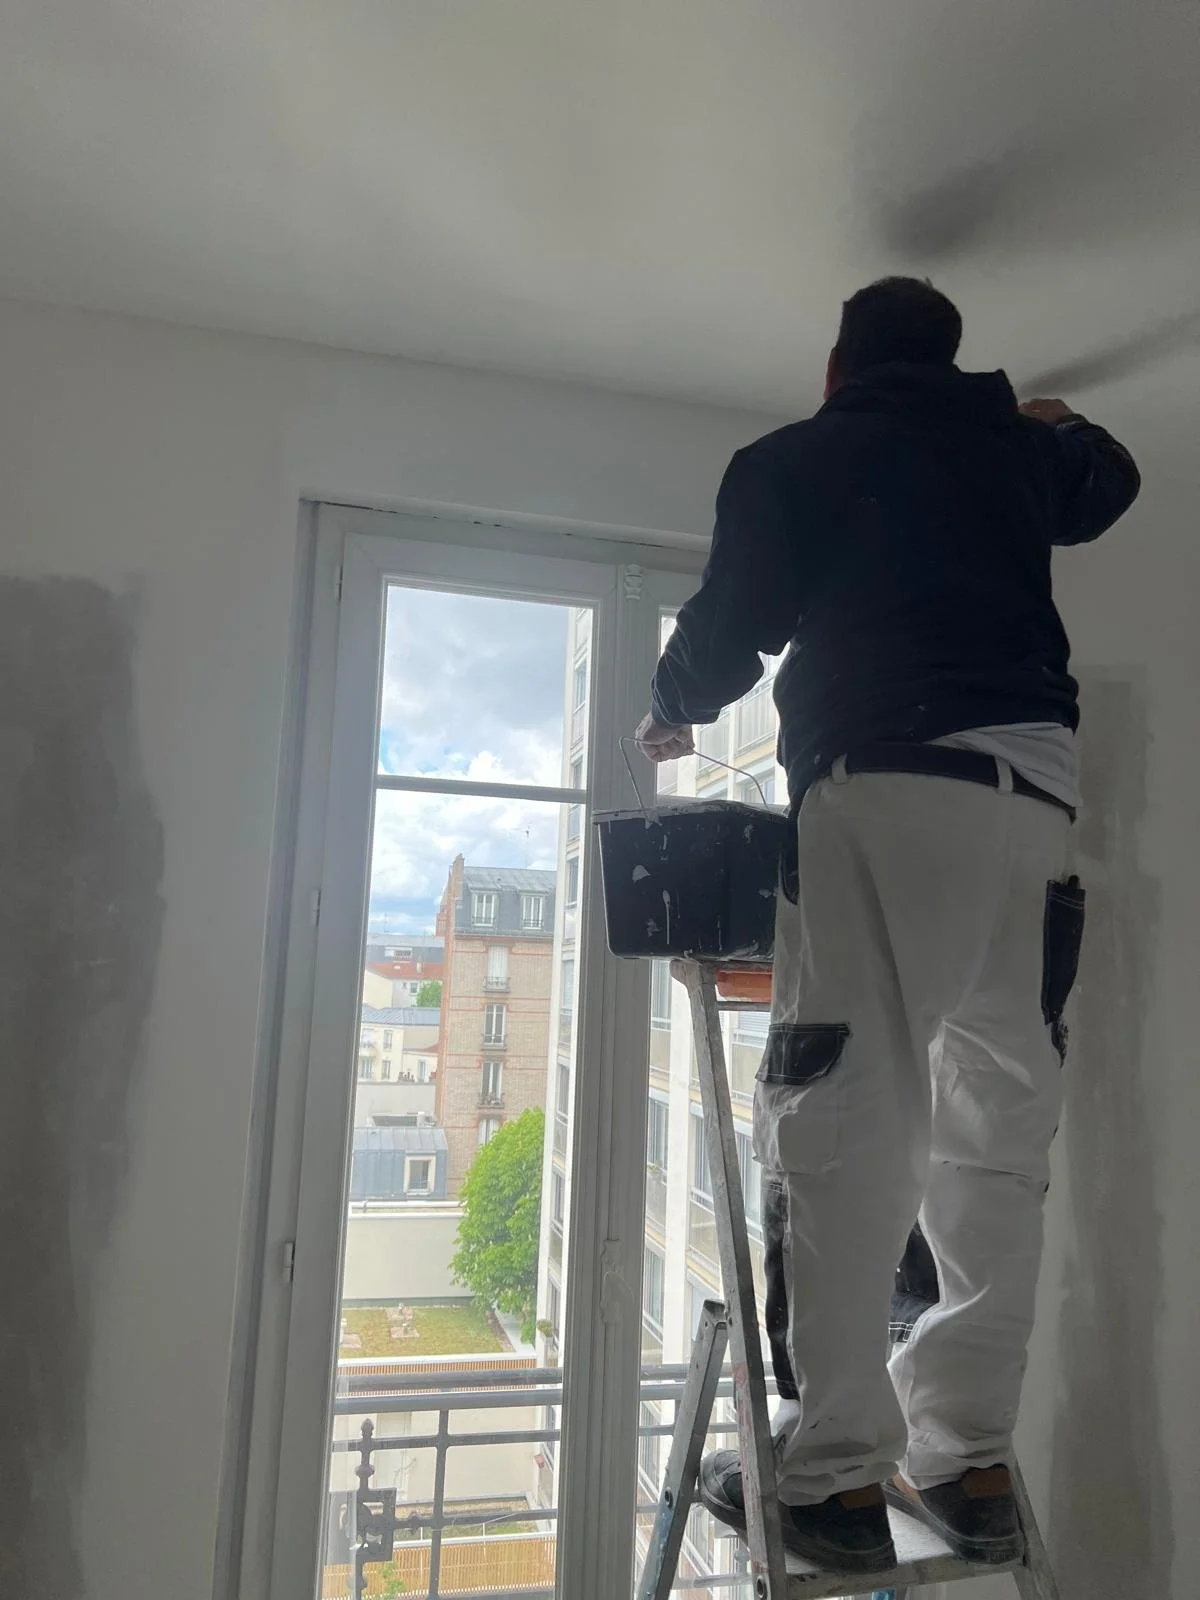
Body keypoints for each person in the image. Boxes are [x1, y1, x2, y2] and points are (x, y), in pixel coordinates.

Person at [636, 278, 1139, 1576]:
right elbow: (1112, 477)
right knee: (997, 1139)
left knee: (847, 1124)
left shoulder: (800, 456)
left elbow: (737, 624)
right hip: (1036, 806)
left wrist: (673, 703)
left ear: (834, 368)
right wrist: (1050, 427)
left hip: (890, 781)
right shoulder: (1013, 455)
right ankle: (966, 1456)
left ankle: (835, 1483)